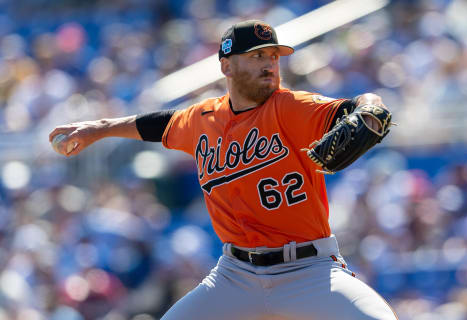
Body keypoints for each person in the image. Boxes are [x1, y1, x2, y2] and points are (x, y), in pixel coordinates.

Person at [50, 20, 397, 320]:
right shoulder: (202, 119)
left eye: (274, 56)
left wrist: (370, 107)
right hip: (236, 275)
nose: (270, 65)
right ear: (226, 66)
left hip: (308, 269)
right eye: (257, 56)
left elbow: (361, 105)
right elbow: (157, 124)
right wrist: (101, 127)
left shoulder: (289, 106)